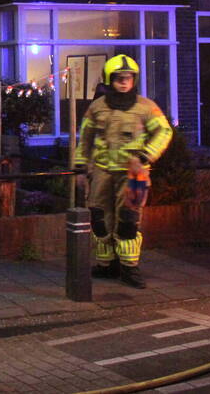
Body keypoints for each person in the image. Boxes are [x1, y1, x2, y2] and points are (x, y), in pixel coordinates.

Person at [74, 54, 173, 289]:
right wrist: (80, 167)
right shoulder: (96, 107)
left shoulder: (146, 107)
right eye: (119, 78)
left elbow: (164, 133)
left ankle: (129, 267)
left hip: (133, 174)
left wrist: (145, 155)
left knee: (128, 220)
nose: (124, 82)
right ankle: (106, 264)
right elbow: (85, 138)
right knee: (99, 218)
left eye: (128, 78)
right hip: (101, 171)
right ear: (109, 79)